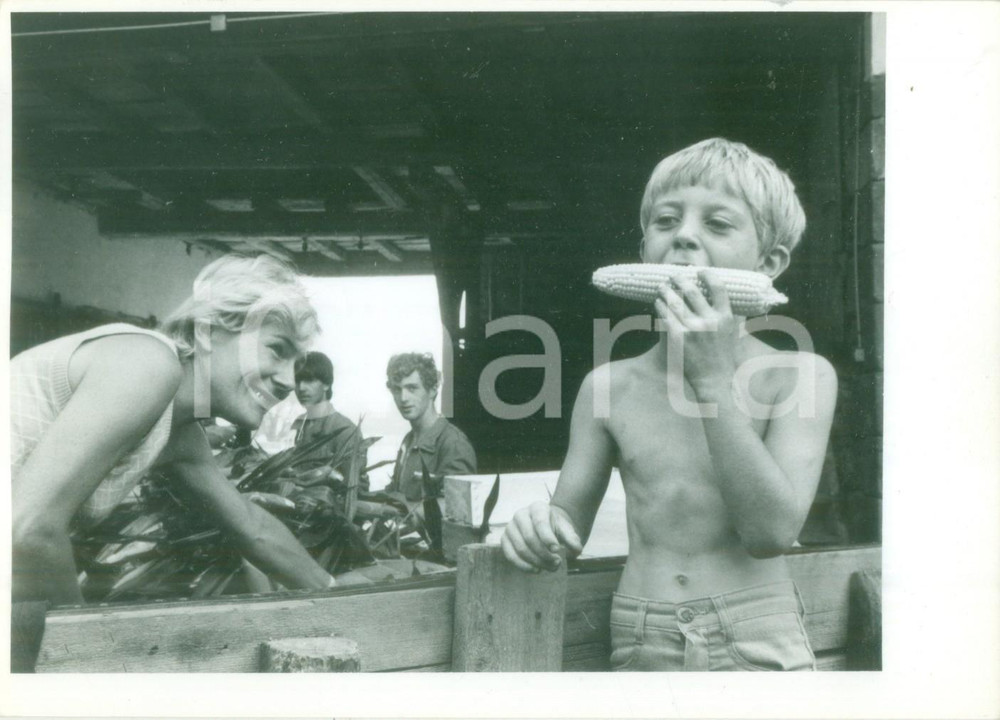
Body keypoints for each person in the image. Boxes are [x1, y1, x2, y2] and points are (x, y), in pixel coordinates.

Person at [500, 138, 838, 672]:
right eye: (666, 221)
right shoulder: (607, 386)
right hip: (639, 632)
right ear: (643, 251)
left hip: (755, 633)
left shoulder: (798, 376)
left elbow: (771, 533)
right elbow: (566, 530)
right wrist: (536, 526)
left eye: (718, 225)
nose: (684, 235)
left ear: (768, 263)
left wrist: (710, 382)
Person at [11, 254, 339, 607]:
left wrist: (334, 593)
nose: (290, 381)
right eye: (277, 349)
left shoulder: (176, 429)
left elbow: (251, 526)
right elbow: (29, 528)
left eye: (298, 364)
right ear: (209, 330)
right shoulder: (147, 364)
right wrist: (81, 648)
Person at [384, 352, 476, 505]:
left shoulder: (453, 444)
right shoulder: (409, 439)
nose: (403, 398)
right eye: (397, 389)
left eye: (412, 388)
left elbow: (459, 507)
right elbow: (396, 493)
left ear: (433, 389)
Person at [290, 351, 368, 490]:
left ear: (326, 384)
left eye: (309, 380)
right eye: (297, 381)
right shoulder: (302, 425)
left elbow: (358, 488)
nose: (301, 388)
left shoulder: (345, 431)